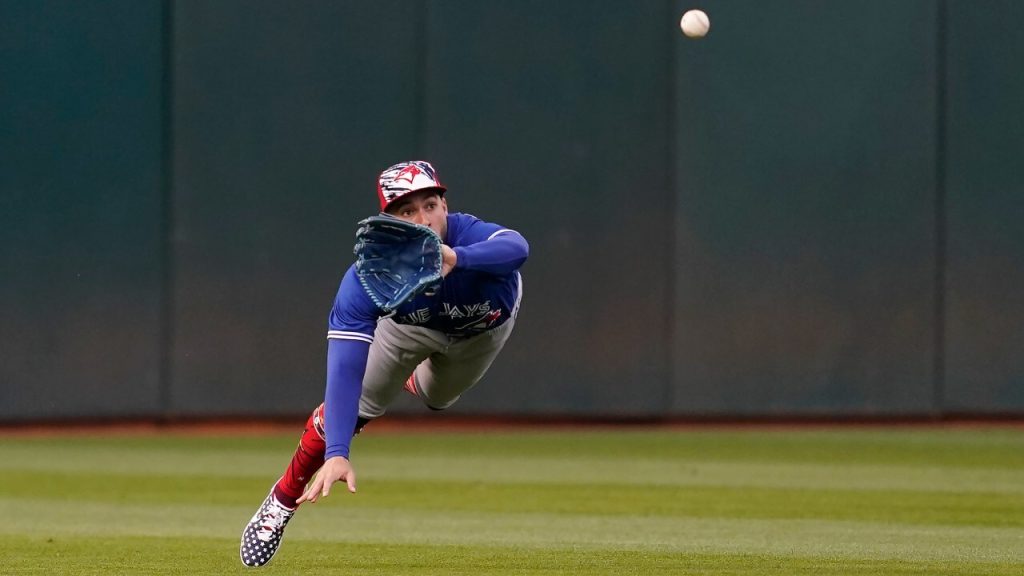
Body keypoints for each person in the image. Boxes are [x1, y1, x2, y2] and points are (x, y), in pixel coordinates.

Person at [239, 160, 529, 567]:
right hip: (408, 329)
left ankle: (409, 380)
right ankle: (282, 501)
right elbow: (343, 371)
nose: (423, 219)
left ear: (445, 206)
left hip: (480, 331)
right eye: (407, 212)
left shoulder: (469, 234)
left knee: (437, 397)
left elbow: (518, 247)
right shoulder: (366, 279)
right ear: (390, 221)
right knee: (353, 408)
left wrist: (455, 258)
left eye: (430, 205)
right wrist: (338, 451)